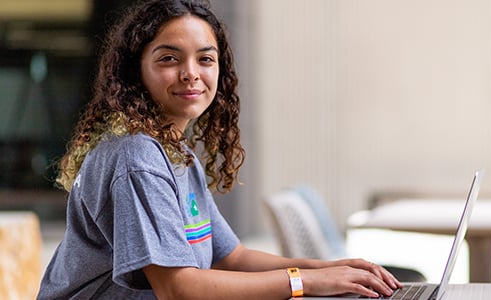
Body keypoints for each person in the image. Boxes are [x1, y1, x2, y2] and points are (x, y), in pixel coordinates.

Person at [37, 0, 401, 299]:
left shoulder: (177, 154)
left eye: (205, 59)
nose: (190, 73)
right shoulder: (136, 156)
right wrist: (304, 284)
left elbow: (231, 258)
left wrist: (330, 270)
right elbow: (178, 288)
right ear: (137, 72)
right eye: (169, 58)